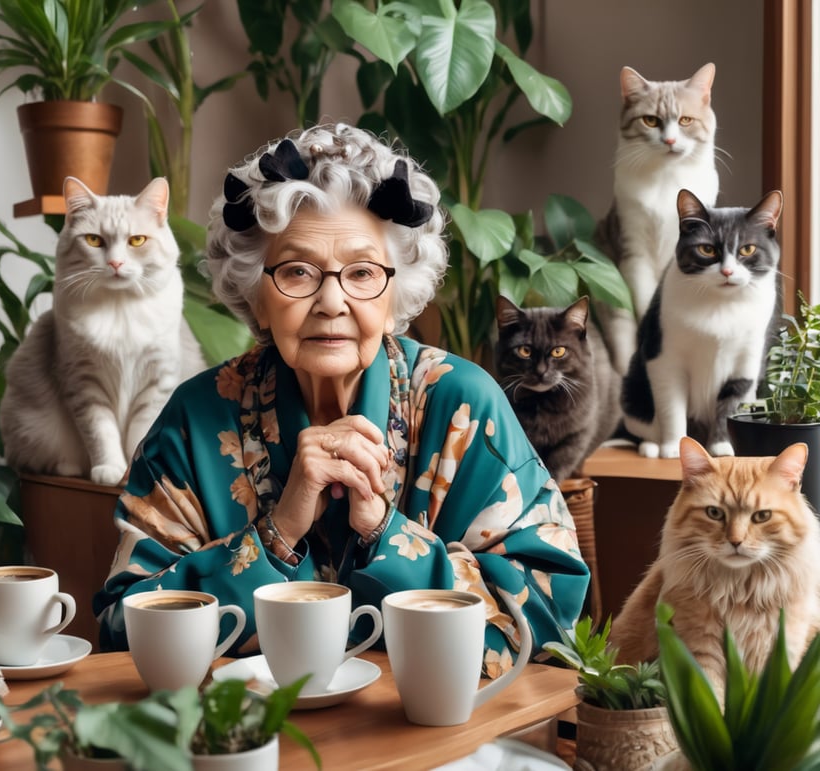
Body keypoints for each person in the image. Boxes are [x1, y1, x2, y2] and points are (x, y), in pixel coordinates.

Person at [94, 123, 589, 674]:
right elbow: (124, 627)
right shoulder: (195, 418)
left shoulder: (461, 406)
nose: (332, 301)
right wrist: (276, 535)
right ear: (257, 297)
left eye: (361, 272)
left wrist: (385, 531)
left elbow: (549, 619)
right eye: (298, 272)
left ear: (395, 295)